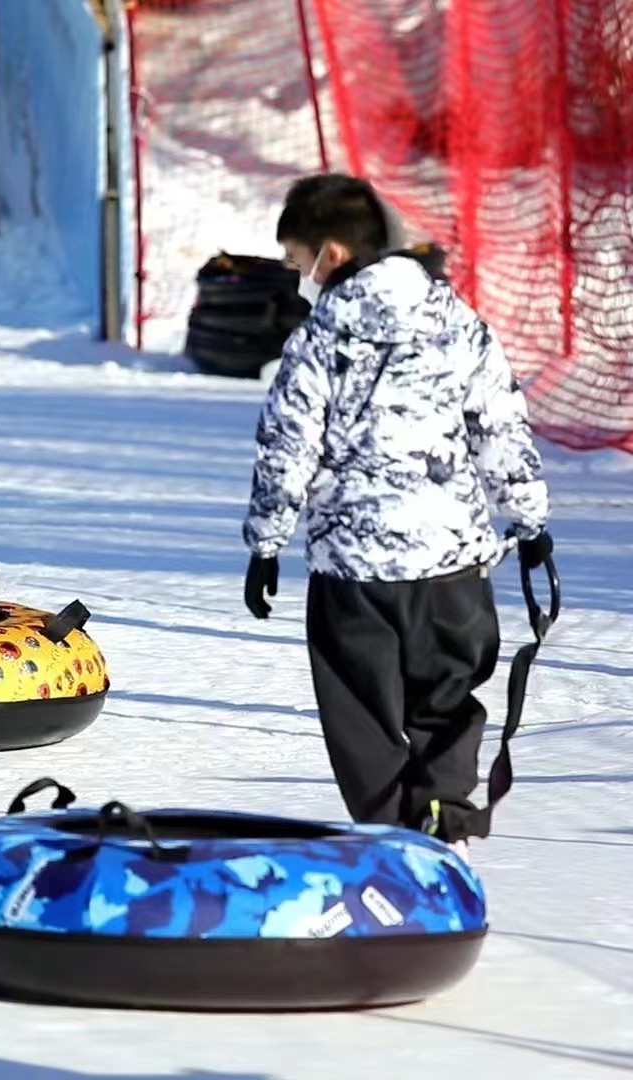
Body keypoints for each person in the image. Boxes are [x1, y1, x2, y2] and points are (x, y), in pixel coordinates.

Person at [242, 174, 552, 854]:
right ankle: (444, 818)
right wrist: (528, 520)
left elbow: (288, 445)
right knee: (447, 695)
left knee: (362, 709)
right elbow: (500, 423)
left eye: (299, 261)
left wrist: (267, 542)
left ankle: (391, 839)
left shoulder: (321, 337)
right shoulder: (457, 321)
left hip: (355, 570)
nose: (301, 277)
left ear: (332, 254)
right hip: (452, 562)